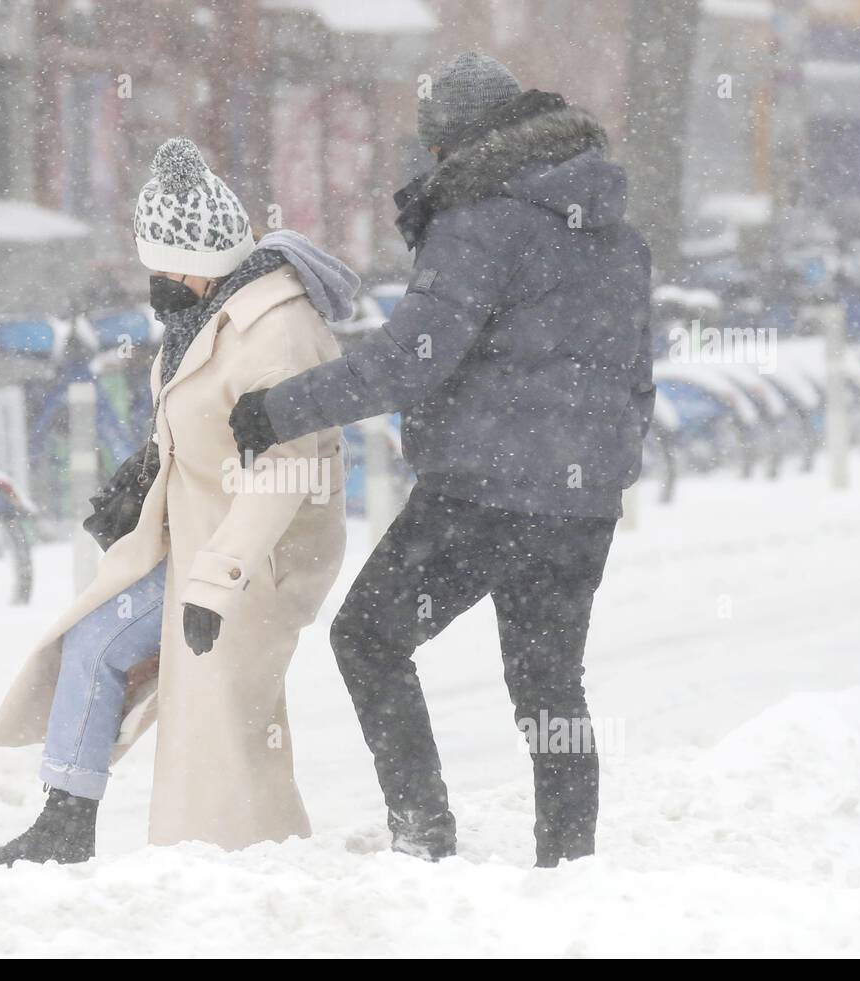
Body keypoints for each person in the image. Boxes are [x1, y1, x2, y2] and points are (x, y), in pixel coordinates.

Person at [230, 54, 654, 867]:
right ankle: (570, 864)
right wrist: (606, 459)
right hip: (582, 499)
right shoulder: (611, 229)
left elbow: (406, 360)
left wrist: (277, 410)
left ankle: (422, 831)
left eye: (433, 149)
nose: (430, 164)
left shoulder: (481, 220)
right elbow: (636, 373)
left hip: (483, 493)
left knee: (369, 638)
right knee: (550, 685)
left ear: (456, 144)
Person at [0, 138, 356, 866]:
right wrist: (146, 472)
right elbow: (201, 417)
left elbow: (283, 469)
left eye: (163, 262)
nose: (157, 278)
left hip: (259, 554)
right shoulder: (205, 314)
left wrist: (217, 582)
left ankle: (239, 861)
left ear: (196, 258)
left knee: (224, 714)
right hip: (201, 534)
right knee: (107, 650)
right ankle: (72, 825)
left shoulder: (276, 327)